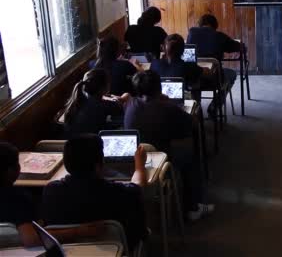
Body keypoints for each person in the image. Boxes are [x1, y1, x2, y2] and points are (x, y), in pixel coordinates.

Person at [124, 70, 214, 220]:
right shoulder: (167, 108)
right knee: (190, 157)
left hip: (135, 158)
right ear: (159, 89)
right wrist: (169, 103)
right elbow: (192, 124)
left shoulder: (130, 104)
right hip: (162, 158)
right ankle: (193, 207)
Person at [41, 136, 147, 250]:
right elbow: (138, 186)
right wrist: (139, 167)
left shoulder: (51, 191)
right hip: (116, 249)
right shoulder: (115, 191)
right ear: (98, 165)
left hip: (68, 251)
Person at [63, 69, 129, 136]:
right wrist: (124, 97)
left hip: (73, 143)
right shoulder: (104, 105)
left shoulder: (75, 101)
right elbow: (121, 107)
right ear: (104, 88)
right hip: (92, 143)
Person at [186, 14, 240, 86]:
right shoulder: (219, 36)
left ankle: (195, 96)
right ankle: (220, 97)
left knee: (195, 69)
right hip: (214, 79)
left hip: (193, 77)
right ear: (215, 25)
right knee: (232, 73)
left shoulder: (191, 32)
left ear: (200, 23)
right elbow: (236, 47)